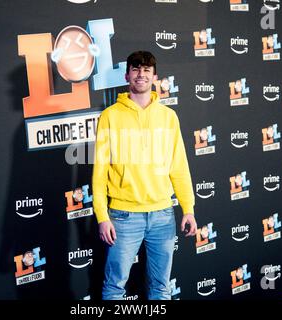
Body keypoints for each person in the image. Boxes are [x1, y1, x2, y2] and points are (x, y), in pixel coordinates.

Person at [92, 51, 197, 300]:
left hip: (163, 216)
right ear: (127, 75)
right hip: (123, 217)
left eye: (147, 70)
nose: (141, 74)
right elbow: (99, 172)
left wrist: (188, 208)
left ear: (155, 77)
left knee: (161, 287)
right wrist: (102, 216)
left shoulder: (169, 117)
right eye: (136, 69)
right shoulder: (110, 116)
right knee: (115, 287)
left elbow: (179, 167)